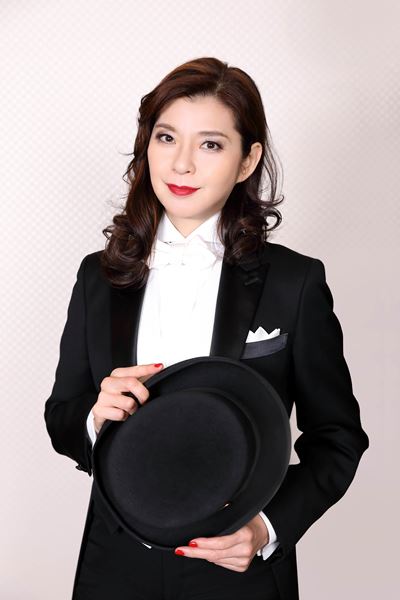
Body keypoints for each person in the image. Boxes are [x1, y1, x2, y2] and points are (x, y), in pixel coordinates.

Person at [44, 57, 369, 600]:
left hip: (239, 576)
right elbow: (61, 415)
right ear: (147, 145)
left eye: (211, 144)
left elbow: (338, 438)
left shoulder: (295, 282)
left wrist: (266, 528)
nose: (182, 164)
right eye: (167, 137)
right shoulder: (96, 276)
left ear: (248, 161)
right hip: (114, 570)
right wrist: (94, 418)